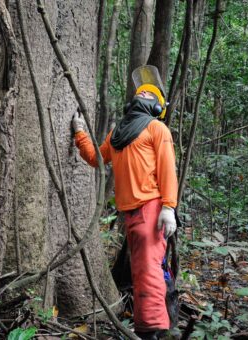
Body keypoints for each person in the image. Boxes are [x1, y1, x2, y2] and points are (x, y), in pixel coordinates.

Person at [72, 65, 178, 339]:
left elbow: (168, 170)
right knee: (146, 269)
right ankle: (154, 325)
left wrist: (168, 208)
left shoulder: (156, 130)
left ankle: (151, 330)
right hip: (133, 214)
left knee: (148, 271)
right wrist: (79, 132)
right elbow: (96, 157)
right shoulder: (119, 134)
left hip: (150, 210)